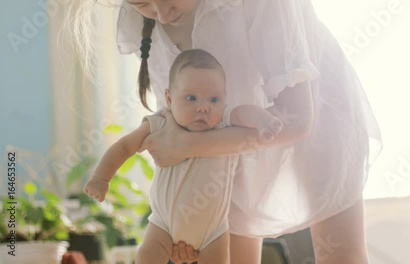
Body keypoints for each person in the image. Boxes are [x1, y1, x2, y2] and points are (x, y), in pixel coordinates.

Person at [70, 0, 382, 263]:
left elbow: (298, 119)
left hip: (313, 116)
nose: (163, 14)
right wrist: (188, 230)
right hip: (223, 144)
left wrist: (189, 145)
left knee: (341, 256)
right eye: (141, 3)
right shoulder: (142, 19)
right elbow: (181, 129)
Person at [83, 49, 283, 264]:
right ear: (169, 99)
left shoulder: (224, 120)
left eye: (214, 99)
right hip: (164, 226)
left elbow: (245, 112)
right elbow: (124, 146)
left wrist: (264, 121)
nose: (203, 107)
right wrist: (101, 178)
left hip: (213, 233)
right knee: (146, 255)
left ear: (224, 100)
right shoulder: (161, 122)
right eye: (191, 98)